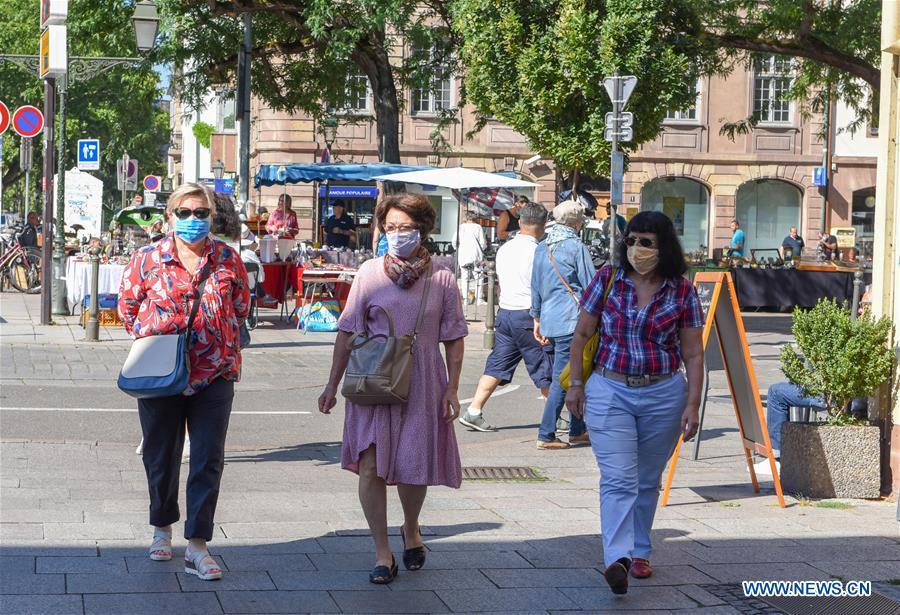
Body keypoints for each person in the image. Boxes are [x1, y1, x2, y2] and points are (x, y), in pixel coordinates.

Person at [318, 193, 467, 585]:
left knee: (414, 467)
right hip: (372, 379)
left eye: (406, 227)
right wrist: (332, 385)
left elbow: (453, 337)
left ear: (423, 229)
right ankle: (382, 551)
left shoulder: (442, 277)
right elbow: (347, 331)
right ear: (381, 228)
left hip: (422, 380)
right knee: (370, 467)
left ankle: (412, 527)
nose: (398, 234)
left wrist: (452, 388)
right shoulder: (368, 273)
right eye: (391, 226)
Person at [565, 211, 704, 594]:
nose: (636, 249)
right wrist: (575, 384)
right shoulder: (607, 280)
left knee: (646, 479)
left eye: (646, 242)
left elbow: (693, 354)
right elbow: (581, 334)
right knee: (619, 478)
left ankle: (640, 551)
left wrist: (693, 404)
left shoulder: (681, 290)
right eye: (631, 241)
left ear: (664, 247)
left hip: (663, 392)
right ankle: (617, 558)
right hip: (610, 390)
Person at [118, 182, 250, 582]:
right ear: (170, 216)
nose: (194, 220)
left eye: (201, 213)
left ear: (212, 216)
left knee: (208, 457)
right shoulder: (147, 258)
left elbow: (241, 306)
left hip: (216, 372)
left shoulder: (228, 258)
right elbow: (127, 308)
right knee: (160, 454)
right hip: (161, 373)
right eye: (185, 212)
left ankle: (198, 545)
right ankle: (162, 527)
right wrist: (160, 337)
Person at [459, 202, 552, 432]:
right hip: (528, 315)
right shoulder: (539, 251)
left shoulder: (505, 248)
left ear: (520, 223)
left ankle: (473, 410)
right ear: (543, 226)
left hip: (506, 313)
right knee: (544, 367)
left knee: (498, 364)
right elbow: (544, 287)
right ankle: (556, 417)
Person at [531, 200, 597, 449]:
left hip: (549, 318)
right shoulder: (575, 246)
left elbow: (535, 286)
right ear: (577, 223)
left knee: (573, 373)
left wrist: (536, 317)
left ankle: (577, 430)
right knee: (564, 377)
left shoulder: (542, 247)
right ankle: (546, 433)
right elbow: (591, 285)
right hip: (572, 320)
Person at [453, 210, 487, 302]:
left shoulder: (460, 227)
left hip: (463, 255)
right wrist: (483, 249)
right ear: (474, 218)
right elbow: (482, 243)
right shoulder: (478, 227)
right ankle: (479, 299)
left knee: (464, 276)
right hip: (476, 255)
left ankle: (465, 298)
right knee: (478, 276)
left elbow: (454, 242)